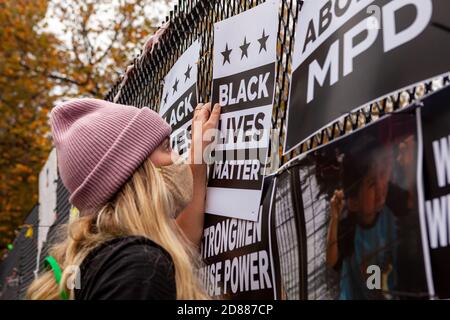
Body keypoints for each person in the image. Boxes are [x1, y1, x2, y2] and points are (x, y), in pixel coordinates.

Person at [27, 98, 221, 300]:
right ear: (135, 173)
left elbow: (181, 242)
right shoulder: (137, 269)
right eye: (166, 147)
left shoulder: (103, 260)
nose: (176, 156)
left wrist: (198, 156)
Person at [326, 138, 398, 300]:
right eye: (372, 184)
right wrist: (334, 218)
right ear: (353, 203)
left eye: (381, 176)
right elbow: (333, 261)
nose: (380, 187)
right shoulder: (349, 229)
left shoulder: (389, 215)